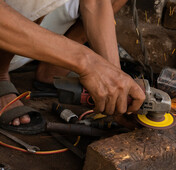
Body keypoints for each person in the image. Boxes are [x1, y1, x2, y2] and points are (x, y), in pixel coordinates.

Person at [0, 0, 145, 130]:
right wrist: (88, 63)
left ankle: (53, 67)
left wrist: (114, 77)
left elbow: (96, 2)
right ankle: (1, 76)